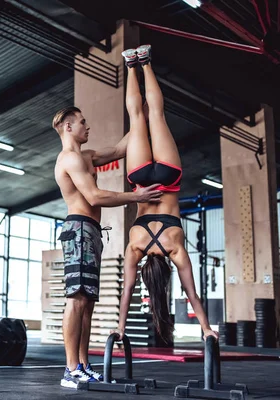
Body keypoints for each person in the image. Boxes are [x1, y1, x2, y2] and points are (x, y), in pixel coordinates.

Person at [112, 44, 218, 345]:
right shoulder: (135, 248)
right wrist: (119, 328)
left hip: (169, 178)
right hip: (140, 179)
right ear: (147, 272)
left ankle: (144, 62)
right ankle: (132, 65)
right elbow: (127, 292)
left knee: (155, 114)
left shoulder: (176, 250)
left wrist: (206, 328)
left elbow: (192, 295)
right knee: (137, 117)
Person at [52, 105, 163, 388]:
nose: (87, 127)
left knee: (87, 302)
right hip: (77, 229)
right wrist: (136, 196)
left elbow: (117, 150)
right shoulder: (69, 159)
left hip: (90, 230)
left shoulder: (87, 156)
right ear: (68, 127)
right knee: (76, 298)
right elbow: (94, 196)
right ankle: (70, 369)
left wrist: (142, 118)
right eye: (82, 122)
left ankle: (83, 366)